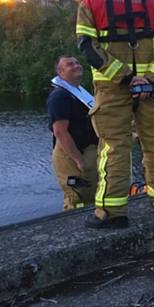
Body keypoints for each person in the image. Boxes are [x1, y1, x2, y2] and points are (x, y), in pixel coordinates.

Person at [76, 0, 154, 229]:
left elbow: (87, 48)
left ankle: (112, 213)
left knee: (114, 148)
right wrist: (149, 80)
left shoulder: (89, 4)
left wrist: (125, 78)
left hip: (111, 89)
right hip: (152, 90)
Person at [47, 56, 99, 211]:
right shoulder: (59, 96)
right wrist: (79, 160)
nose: (76, 66)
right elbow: (60, 132)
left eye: (77, 62)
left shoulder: (78, 93)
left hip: (88, 151)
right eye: (70, 64)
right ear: (60, 72)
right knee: (78, 197)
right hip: (72, 155)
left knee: (92, 194)